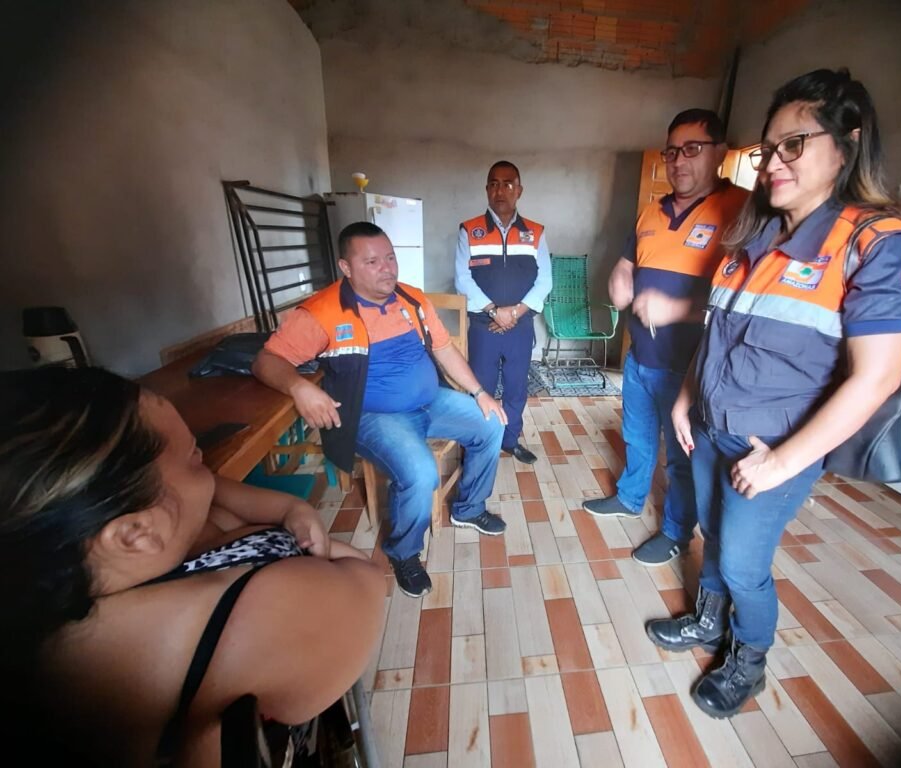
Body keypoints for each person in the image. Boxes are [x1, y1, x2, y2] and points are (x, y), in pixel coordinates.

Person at [646, 68, 901, 718]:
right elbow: (717, 330)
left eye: (794, 144)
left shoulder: (874, 242)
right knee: (713, 536)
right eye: (769, 148)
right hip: (712, 423)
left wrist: (783, 462)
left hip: (774, 446)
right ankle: (707, 623)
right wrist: (686, 398)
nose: (774, 162)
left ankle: (749, 661)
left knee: (745, 565)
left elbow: (878, 376)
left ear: (848, 143)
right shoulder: (754, 232)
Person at [0, 366, 386, 766]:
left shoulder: (59, 588)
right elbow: (368, 580)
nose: (205, 460)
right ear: (134, 533)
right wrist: (281, 529)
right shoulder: (246, 616)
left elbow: (207, 489)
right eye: (193, 458)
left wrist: (291, 508)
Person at [254, 221, 508, 598]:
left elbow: (443, 349)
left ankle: (468, 508)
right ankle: (404, 553)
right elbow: (266, 361)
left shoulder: (413, 300)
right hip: (373, 417)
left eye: (390, 258)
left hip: (430, 401)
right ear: (346, 267)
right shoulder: (322, 312)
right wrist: (299, 387)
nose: (387, 268)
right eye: (372, 262)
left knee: (491, 423)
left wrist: (480, 392)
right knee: (421, 473)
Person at [583, 109, 748, 568]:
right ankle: (630, 497)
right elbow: (627, 264)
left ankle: (676, 532)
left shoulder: (742, 211)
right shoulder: (651, 211)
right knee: (636, 437)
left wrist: (676, 310)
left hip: (691, 367)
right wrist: (620, 279)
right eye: (672, 151)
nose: (678, 161)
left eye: (692, 149)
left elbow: (744, 304)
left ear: (720, 152)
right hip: (641, 357)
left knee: (682, 457)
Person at [455, 160, 552, 465]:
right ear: (487, 189)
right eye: (494, 184)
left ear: (519, 190)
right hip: (483, 326)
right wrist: (495, 311)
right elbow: (462, 279)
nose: (501, 190)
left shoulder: (535, 232)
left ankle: (510, 440)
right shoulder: (470, 230)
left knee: (516, 388)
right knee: (479, 387)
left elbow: (545, 280)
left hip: (520, 326)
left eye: (508, 184)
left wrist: (515, 313)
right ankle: (479, 445)